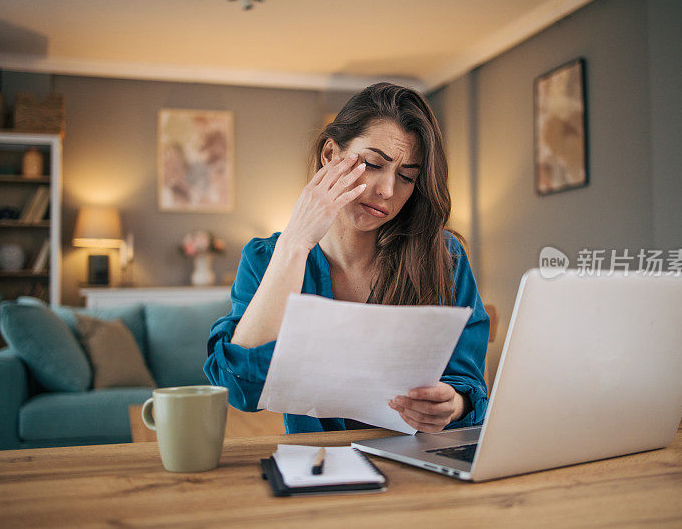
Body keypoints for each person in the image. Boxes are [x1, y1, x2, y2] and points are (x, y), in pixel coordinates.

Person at [205, 82, 490, 434]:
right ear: (330, 155)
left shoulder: (444, 257)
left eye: (406, 177)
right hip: (319, 470)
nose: (386, 190)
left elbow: (470, 386)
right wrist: (295, 243)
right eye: (372, 164)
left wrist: (453, 404)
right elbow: (239, 388)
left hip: (418, 470)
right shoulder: (266, 259)